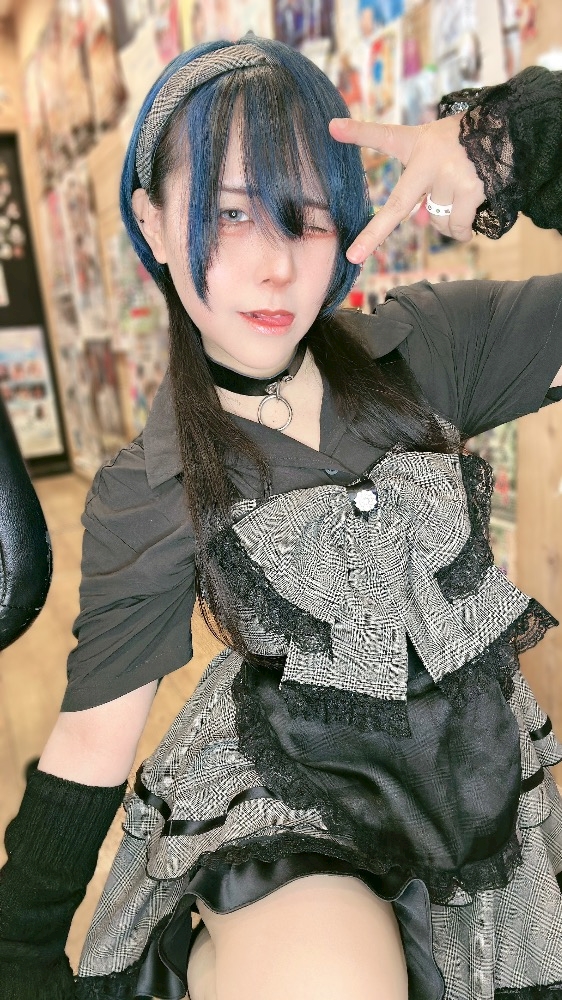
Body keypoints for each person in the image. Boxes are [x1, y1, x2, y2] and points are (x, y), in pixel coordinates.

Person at [0, 36, 561, 1000]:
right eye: (229, 213)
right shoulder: (152, 485)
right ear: (154, 221)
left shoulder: (428, 348)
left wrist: (516, 146)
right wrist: (18, 954)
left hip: (479, 783)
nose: (275, 266)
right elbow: (92, 742)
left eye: (304, 216)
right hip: (285, 793)